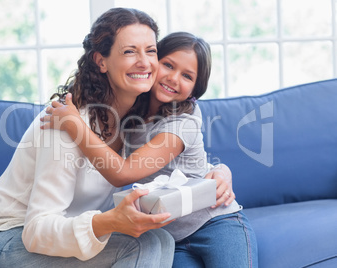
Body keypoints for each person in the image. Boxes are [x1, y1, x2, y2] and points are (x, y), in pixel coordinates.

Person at [0, 8, 176, 268]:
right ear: (101, 61)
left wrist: (219, 172)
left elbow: (184, 148)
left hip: (61, 236)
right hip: (4, 239)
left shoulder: (136, 122)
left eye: (151, 50)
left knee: (162, 240)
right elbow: (36, 231)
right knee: (141, 245)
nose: (144, 62)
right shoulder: (65, 122)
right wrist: (110, 221)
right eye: (129, 51)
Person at [41, 31, 258, 267]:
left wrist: (74, 125)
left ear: (196, 88)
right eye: (168, 65)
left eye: (187, 76)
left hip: (216, 221)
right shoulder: (130, 111)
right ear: (153, 64)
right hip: (168, 236)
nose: (174, 78)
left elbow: (122, 173)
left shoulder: (184, 119)